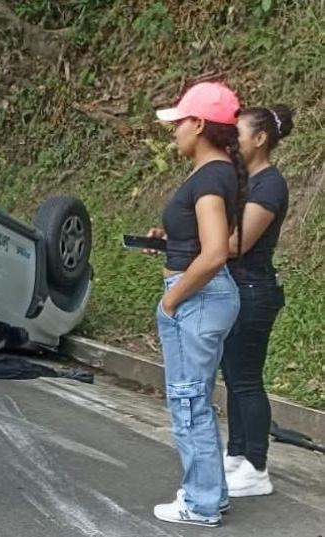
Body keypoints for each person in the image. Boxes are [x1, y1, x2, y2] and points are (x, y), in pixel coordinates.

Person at [148, 82, 246, 527]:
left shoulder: (210, 176)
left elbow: (214, 253)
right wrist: (173, 242)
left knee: (188, 404)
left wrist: (172, 300)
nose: (176, 133)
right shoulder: (219, 172)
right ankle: (212, 494)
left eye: (180, 123)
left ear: (200, 125)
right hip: (207, 297)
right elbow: (206, 242)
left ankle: (201, 503)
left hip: (199, 300)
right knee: (197, 402)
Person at [221, 105, 293, 497]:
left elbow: (237, 244)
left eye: (239, 134)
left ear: (261, 138)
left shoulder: (270, 185)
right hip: (237, 288)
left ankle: (257, 466)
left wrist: (191, 250)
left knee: (246, 380)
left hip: (254, 291)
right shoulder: (247, 181)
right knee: (233, 377)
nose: (233, 142)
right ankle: (236, 455)